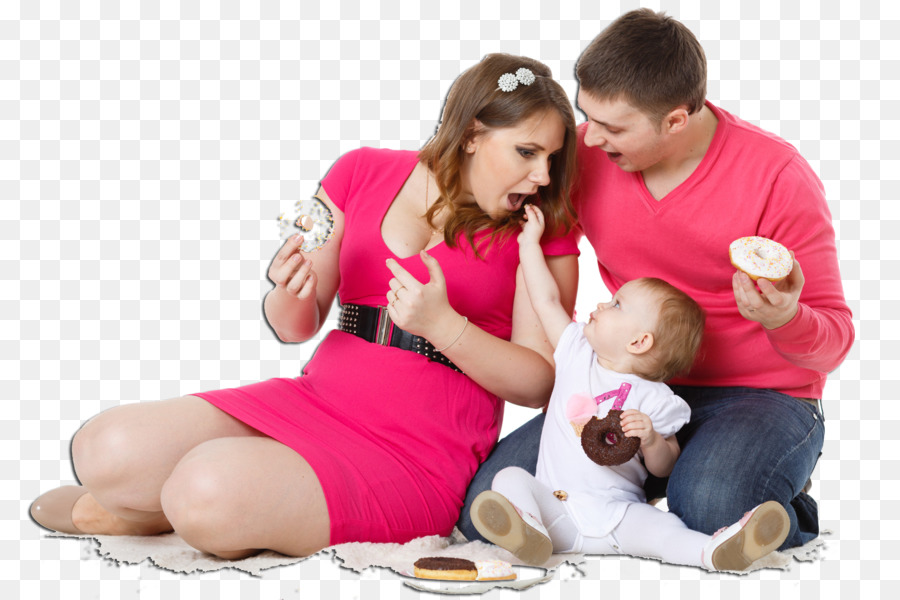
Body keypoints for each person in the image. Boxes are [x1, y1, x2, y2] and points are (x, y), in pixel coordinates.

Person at [29, 53, 582, 559]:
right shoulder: (359, 170)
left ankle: (179, 508)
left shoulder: (538, 229)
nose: (540, 177)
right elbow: (296, 326)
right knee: (107, 449)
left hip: (417, 449)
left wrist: (446, 327)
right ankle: (211, 501)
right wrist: (287, 292)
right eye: (526, 152)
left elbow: (538, 382)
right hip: (317, 397)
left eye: (551, 159)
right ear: (471, 134)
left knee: (203, 492)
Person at [458, 9, 854, 552]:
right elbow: (502, 209)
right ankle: (650, 487)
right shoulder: (585, 156)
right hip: (621, 382)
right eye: (585, 114)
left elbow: (834, 340)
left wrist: (786, 318)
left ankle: (762, 487)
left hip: (759, 395)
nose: (589, 138)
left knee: (711, 506)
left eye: (613, 127)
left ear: (675, 119)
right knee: (487, 502)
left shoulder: (777, 178)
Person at [468, 204, 789, 571]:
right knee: (509, 477)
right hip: (558, 513)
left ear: (639, 342)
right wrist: (528, 245)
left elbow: (664, 468)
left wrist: (651, 439)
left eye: (617, 305)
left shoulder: (655, 399)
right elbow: (546, 300)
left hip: (620, 515)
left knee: (665, 528)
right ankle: (531, 534)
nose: (603, 303)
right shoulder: (576, 351)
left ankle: (713, 552)